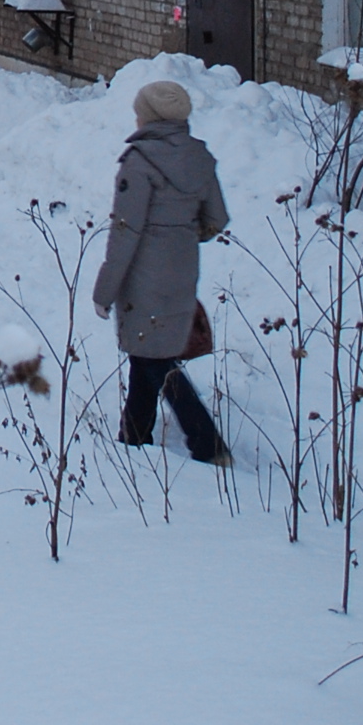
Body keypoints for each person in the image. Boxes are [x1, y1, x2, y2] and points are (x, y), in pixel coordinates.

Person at [93, 79, 233, 464]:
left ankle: (207, 444)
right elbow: (217, 218)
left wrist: (104, 291)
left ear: (149, 117)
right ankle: (133, 437)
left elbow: (125, 234)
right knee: (147, 353)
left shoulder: (138, 164)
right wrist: (182, 236)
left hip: (144, 277)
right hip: (183, 270)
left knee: (155, 359)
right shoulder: (199, 157)